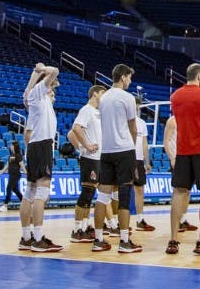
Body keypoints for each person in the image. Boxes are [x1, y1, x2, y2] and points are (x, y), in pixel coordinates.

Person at [164, 62, 200, 255]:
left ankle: (173, 240)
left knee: (179, 193)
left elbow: (181, 118)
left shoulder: (175, 96)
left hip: (183, 151)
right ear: (199, 76)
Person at [92, 64, 142, 254]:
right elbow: (133, 128)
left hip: (106, 152)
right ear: (122, 77)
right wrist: (132, 148)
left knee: (102, 196)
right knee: (124, 196)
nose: (129, 81)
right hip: (124, 150)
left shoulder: (103, 98)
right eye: (129, 77)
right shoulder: (127, 98)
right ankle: (124, 241)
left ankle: (98, 240)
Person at [18, 63, 63, 252]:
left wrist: (36, 73)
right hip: (42, 145)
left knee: (30, 193)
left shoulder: (36, 99)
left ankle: (26, 237)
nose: (53, 90)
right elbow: (55, 71)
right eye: (53, 88)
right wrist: (43, 69)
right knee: (41, 194)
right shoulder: (38, 94)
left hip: (37, 147)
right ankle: (37, 239)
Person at [67, 84, 106, 242]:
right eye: (103, 93)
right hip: (89, 158)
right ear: (95, 94)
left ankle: (84, 226)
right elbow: (74, 129)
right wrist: (85, 146)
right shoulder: (87, 109)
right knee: (86, 193)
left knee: (90, 195)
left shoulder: (98, 113)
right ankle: (76, 230)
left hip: (98, 158)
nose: (104, 96)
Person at [132, 104, 156, 232]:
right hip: (126, 158)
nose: (136, 109)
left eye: (137, 107)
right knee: (120, 190)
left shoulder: (141, 123)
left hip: (139, 160)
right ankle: (115, 222)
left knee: (139, 190)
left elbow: (145, 144)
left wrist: (147, 162)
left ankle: (140, 219)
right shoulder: (124, 120)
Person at [0, 139, 23, 212]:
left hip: (16, 175)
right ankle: (24, 202)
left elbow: (22, 165)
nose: (10, 146)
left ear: (15, 146)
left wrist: (26, 172)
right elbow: (7, 165)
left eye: (11, 145)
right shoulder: (11, 155)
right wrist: (1, 172)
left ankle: (5, 205)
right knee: (15, 190)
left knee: (8, 188)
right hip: (11, 174)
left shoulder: (18, 155)